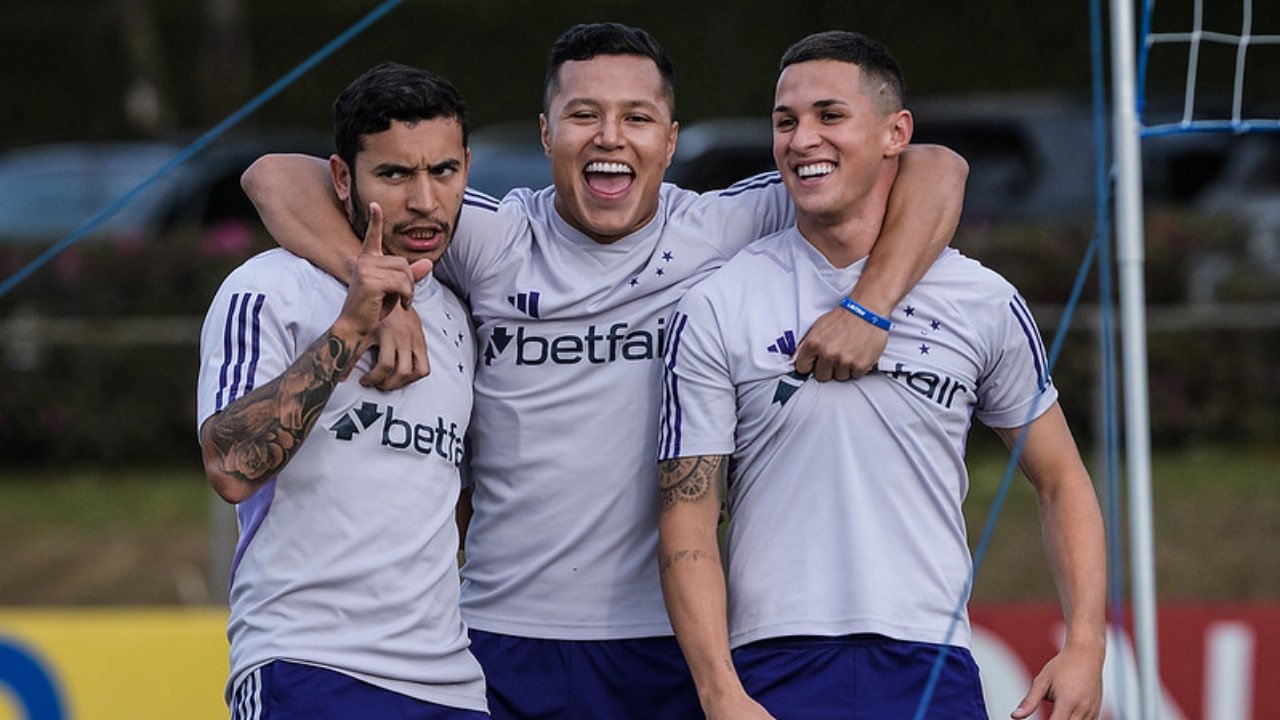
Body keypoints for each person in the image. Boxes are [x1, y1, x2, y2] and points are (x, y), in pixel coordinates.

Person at [241, 23, 968, 719]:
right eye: (584, 114)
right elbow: (277, 175)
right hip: (497, 641)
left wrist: (871, 308)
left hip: (671, 645)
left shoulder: (726, 229)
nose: (610, 137)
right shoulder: (493, 235)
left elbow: (934, 165)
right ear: (546, 133)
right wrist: (379, 287)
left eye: (637, 117)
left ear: (672, 140)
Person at [656, 31, 1106, 720]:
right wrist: (721, 694)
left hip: (931, 659)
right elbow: (687, 515)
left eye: (829, 116)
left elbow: (1061, 478)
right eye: (786, 121)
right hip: (772, 663)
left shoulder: (981, 300)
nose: (802, 139)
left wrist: (1085, 645)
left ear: (896, 133)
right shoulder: (720, 300)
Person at [197, 63, 488, 718]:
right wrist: (354, 326)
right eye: (393, 174)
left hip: (451, 683)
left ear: (467, 166)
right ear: (340, 178)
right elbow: (231, 466)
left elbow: (450, 501)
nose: (424, 200)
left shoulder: (459, 314)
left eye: (443, 171)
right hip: (309, 665)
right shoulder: (271, 288)